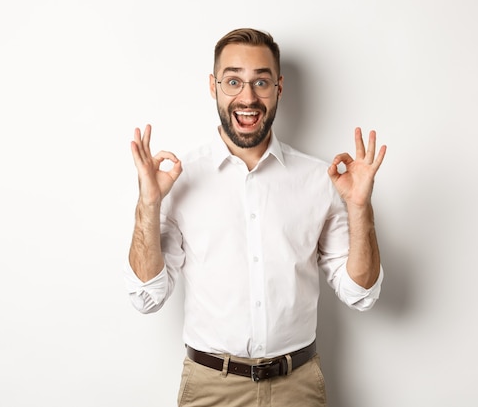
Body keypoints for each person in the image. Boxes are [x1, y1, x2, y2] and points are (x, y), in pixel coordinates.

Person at [124, 28, 387, 407]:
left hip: (298, 387)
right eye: (233, 81)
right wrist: (147, 205)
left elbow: (361, 294)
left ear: (278, 88)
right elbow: (146, 296)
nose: (247, 98)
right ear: (213, 87)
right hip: (211, 388)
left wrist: (361, 208)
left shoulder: (319, 179)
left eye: (260, 82)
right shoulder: (178, 180)